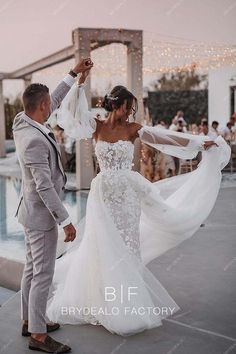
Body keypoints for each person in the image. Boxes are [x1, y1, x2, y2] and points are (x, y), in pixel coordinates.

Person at [46, 70, 230, 336]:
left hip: (127, 197)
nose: (132, 113)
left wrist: (199, 144)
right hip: (103, 196)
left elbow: (165, 138)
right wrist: (80, 80)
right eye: (129, 107)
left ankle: (128, 304)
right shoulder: (95, 125)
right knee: (102, 247)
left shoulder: (132, 129)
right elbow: (71, 114)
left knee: (127, 248)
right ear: (118, 104)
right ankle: (103, 301)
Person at [13, 58, 93, 353]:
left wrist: (74, 73)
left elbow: (54, 97)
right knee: (43, 274)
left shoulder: (23, 120)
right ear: (43, 107)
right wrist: (66, 220)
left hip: (29, 213)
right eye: (50, 104)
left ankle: (28, 321)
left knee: (32, 269)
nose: (53, 106)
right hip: (41, 216)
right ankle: (38, 335)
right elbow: (44, 187)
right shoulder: (33, 139)